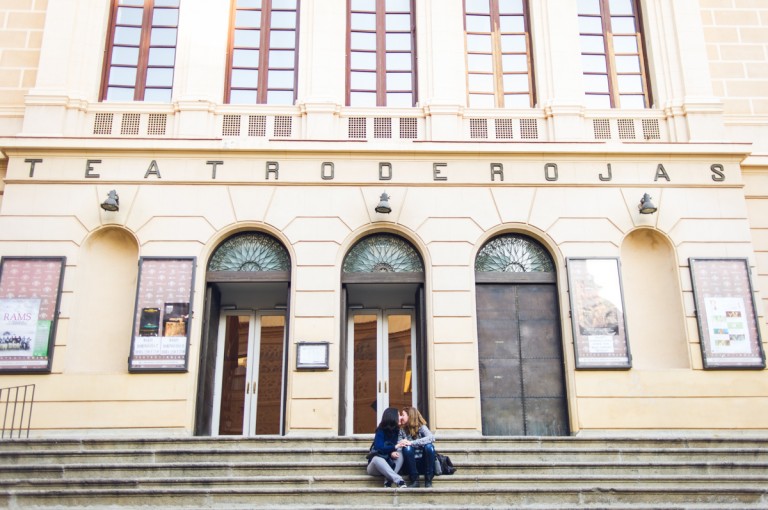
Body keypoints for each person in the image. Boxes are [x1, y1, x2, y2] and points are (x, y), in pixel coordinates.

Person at [366, 407, 408, 489]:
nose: (401, 417)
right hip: (375, 468)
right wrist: (393, 448)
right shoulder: (380, 430)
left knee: (400, 452)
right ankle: (399, 480)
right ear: (393, 417)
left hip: (390, 464)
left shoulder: (397, 431)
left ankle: (388, 481)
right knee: (376, 458)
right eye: (399, 415)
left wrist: (393, 451)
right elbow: (379, 448)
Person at [398, 406, 436, 488]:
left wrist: (412, 443)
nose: (401, 417)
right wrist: (403, 443)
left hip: (424, 462)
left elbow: (431, 437)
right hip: (410, 463)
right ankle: (414, 480)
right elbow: (399, 442)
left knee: (429, 447)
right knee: (407, 448)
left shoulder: (421, 427)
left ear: (409, 416)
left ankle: (428, 480)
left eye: (403, 415)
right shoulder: (402, 429)